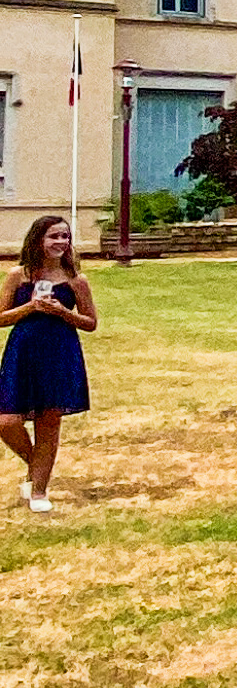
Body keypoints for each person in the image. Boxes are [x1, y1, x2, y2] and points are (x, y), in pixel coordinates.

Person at [0, 216, 97, 512]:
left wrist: (62, 312)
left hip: (59, 351)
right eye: (53, 236)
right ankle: (35, 464)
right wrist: (29, 307)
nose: (60, 242)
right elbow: (1, 318)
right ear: (38, 240)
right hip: (24, 350)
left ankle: (39, 491)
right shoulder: (19, 275)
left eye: (65, 237)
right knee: (6, 421)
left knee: (48, 421)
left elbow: (91, 322)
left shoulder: (75, 279)